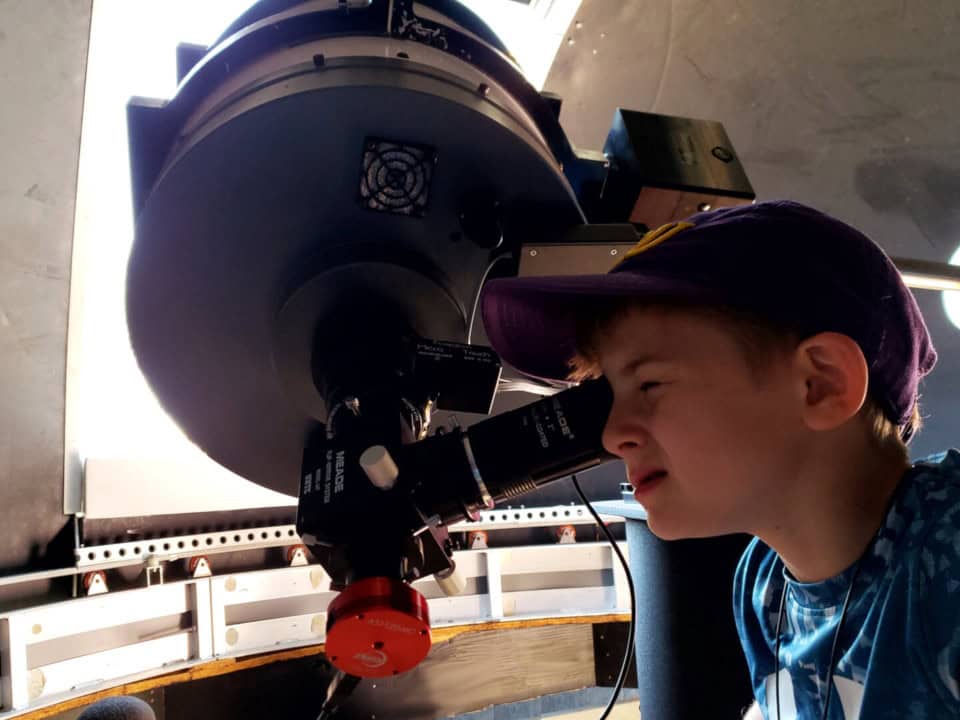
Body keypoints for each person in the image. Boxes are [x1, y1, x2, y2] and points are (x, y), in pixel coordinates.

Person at [480, 200, 959, 719]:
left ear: (820, 384)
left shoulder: (945, 554)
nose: (615, 434)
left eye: (650, 384)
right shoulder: (764, 586)